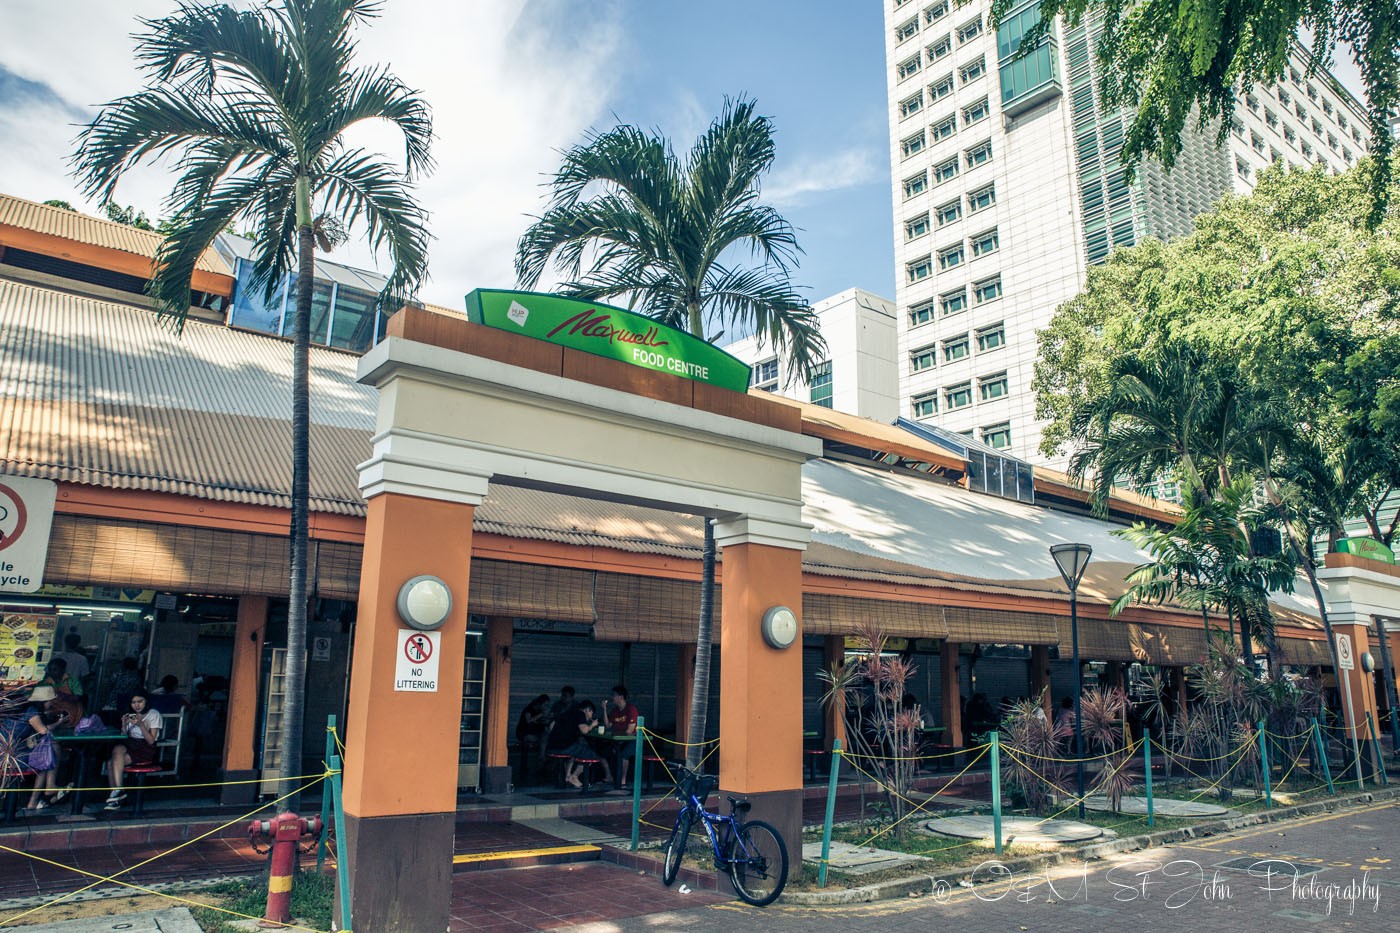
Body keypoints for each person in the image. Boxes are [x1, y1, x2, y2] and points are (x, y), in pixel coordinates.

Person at [104, 692, 162, 811]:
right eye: (134, 702)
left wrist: (141, 725)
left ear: (146, 701)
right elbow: (125, 736)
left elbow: (151, 741)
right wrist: (124, 726)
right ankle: (117, 792)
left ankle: (117, 795)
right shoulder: (131, 715)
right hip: (131, 744)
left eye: (140, 701)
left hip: (145, 748)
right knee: (116, 750)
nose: (137, 705)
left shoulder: (154, 714)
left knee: (111, 763)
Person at [19, 685, 66, 811]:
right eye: (51, 701)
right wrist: (60, 722)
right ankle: (47, 789)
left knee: (47, 755)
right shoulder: (31, 712)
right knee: (44, 760)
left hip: (10, 752)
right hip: (12, 756)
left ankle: (44, 792)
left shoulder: (25, 709)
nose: (52, 704)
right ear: (44, 701)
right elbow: (44, 730)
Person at [559, 700, 611, 789]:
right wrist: (593, 724)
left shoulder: (568, 713)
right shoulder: (580, 714)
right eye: (591, 713)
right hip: (565, 746)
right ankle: (574, 777)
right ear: (587, 710)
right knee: (591, 755)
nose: (591, 716)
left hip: (554, 744)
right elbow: (584, 730)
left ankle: (567, 777)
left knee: (575, 752)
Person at [605, 685, 639, 791]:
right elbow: (608, 726)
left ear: (621, 697)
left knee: (624, 755)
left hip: (632, 740)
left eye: (614, 695)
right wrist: (604, 710)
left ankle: (622, 780)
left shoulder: (631, 709)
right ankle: (610, 776)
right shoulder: (614, 711)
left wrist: (617, 735)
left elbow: (630, 731)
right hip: (618, 740)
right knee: (605, 751)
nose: (612, 698)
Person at [514, 693, 551, 772]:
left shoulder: (539, 710)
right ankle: (542, 758)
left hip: (535, 733)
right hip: (524, 733)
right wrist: (541, 714)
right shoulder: (529, 709)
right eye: (545, 704)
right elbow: (529, 721)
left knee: (545, 737)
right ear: (540, 703)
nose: (546, 707)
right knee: (542, 741)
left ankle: (542, 758)